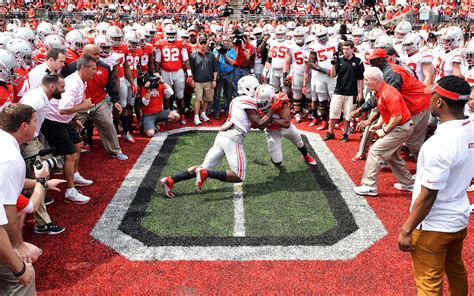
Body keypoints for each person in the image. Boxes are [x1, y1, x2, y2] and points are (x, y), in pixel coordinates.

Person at [397, 76, 473, 295]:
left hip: (434, 224)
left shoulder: (438, 143)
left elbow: (429, 194)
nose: (429, 99)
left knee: (428, 283)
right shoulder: (470, 128)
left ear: (440, 102)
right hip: (458, 217)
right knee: (456, 270)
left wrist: (407, 229)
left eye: (433, 95)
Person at [159, 76, 275, 198]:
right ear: (250, 88)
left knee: (203, 166)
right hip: (233, 137)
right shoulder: (247, 100)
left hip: (222, 136)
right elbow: (261, 124)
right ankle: (207, 173)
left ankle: (170, 180)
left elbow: (255, 122)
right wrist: (273, 109)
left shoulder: (237, 100)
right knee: (239, 176)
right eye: (256, 88)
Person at [41, 55, 97, 204]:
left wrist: (74, 119)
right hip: (54, 121)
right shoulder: (73, 83)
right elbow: (63, 109)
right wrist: (83, 106)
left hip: (63, 120)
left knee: (78, 145)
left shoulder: (80, 80)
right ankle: (70, 191)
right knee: (70, 154)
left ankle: (75, 175)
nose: (95, 72)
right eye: (93, 69)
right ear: (83, 69)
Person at [0, 104, 43, 294]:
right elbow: (6, 209)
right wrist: (17, 250)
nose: (37, 125)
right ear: (24, 126)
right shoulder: (11, 158)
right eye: (34, 121)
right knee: (24, 276)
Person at [353, 67, 414, 196]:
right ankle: (408, 183)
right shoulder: (382, 91)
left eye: (367, 80)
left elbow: (396, 117)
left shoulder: (388, 93)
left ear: (375, 80)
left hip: (401, 128)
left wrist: (384, 130)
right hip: (401, 127)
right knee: (393, 156)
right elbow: (385, 111)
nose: (365, 83)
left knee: (375, 151)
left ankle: (369, 186)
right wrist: (379, 124)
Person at [61, 44, 128, 161]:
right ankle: (66, 155)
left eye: (98, 53)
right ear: (85, 55)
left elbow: (110, 85)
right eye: (95, 54)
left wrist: (115, 100)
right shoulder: (71, 68)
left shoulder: (105, 67)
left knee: (108, 124)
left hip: (98, 102)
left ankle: (115, 150)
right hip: (79, 105)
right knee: (69, 128)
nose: (98, 56)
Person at [19, 74, 66, 234]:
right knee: (37, 177)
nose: (64, 90)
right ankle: (42, 223)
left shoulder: (40, 96)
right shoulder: (35, 100)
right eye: (62, 87)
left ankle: (41, 197)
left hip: (32, 138)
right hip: (27, 140)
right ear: (52, 87)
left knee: (45, 168)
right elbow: (22, 121)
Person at [323, 40, 364, 142]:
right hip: (338, 91)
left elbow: (360, 78)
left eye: (347, 49)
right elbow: (332, 75)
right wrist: (333, 64)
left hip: (352, 93)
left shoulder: (358, 61)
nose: (345, 51)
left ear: (352, 49)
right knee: (333, 113)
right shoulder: (339, 61)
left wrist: (360, 92)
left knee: (347, 115)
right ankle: (330, 132)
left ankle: (345, 134)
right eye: (343, 49)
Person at [189, 35, 218, 126]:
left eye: (204, 43)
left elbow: (215, 69)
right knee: (198, 99)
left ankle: (203, 113)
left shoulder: (211, 55)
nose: (203, 45)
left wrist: (214, 80)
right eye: (201, 43)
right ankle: (196, 117)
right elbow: (191, 69)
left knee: (207, 99)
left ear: (207, 44)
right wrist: (192, 80)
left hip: (208, 81)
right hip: (197, 81)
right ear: (198, 43)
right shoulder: (193, 55)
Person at [213, 35, 236, 120]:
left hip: (229, 74)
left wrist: (225, 54)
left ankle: (227, 112)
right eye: (224, 40)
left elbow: (232, 62)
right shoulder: (216, 49)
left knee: (228, 95)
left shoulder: (232, 50)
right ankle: (216, 113)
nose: (225, 42)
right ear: (221, 41)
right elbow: (214, 61)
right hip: (219, 74)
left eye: (227, 40)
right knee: (217, 95)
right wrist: (219, 52)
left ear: (230, 41)